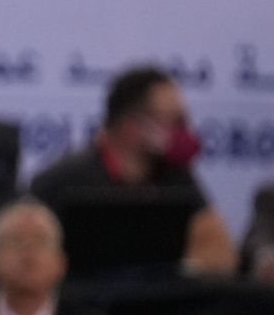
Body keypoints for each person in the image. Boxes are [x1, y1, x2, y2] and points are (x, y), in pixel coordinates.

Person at [29, 65, 236, 276]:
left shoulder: (176, 175)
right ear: (132, 124)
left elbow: (219, 248)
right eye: (174, 120)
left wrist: (188, 269)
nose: (183, 131)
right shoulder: (62, 180)